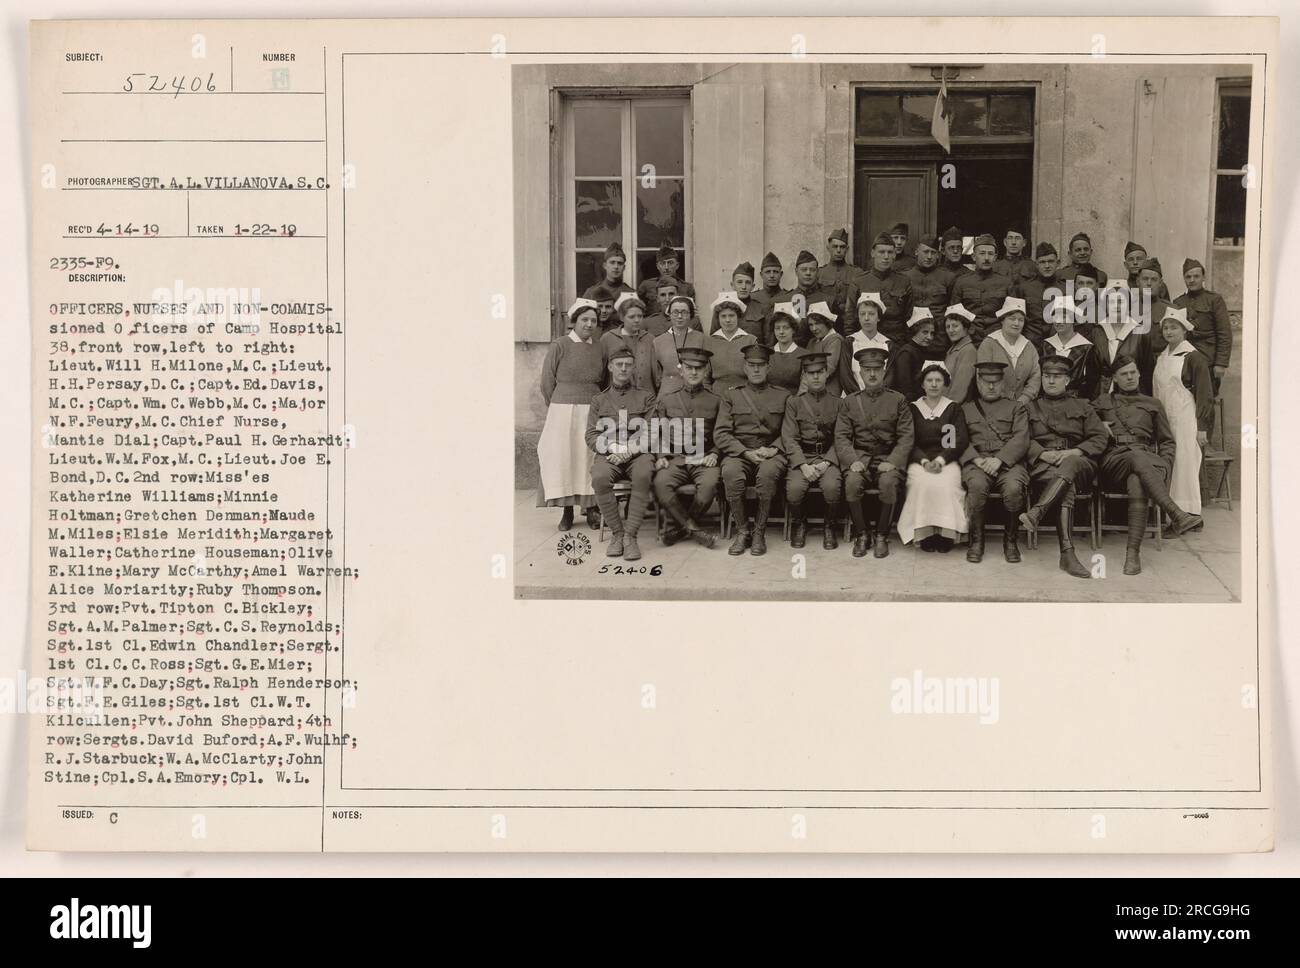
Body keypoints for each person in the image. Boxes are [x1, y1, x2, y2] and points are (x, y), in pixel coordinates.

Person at [1094, 354, 1203, 575]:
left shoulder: (1153, 404)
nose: (1130, 377)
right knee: (1136, 457)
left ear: (1139, 373)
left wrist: (1165, 466)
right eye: (1124, 374)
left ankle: (1132, 554)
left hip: (1145, 463)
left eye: (1133, 372)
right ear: (1115, 378)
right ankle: (1175, 512)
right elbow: (1082, 430)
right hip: (1114, 462)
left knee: (1138, 481)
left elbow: (1167, 441)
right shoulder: (1101, 403)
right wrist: (1098, 425)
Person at [1018, 356, 1109, 579]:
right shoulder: (1030, 407)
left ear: (1067, 380)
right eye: (1047, 376)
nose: (1050, 381)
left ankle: (1038, 511)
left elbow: (1099, 437)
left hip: (1080, 463)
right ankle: (1067, 555)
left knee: (1070, 464)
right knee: (1065, 485)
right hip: (1044, 464)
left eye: (1057, 377)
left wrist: (1075, 452)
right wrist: (1042, 453)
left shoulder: (1083, 406)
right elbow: (1020, 438)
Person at [836, 346, 914, 558]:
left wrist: (894, 461)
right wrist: (852, 460)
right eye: (867, 369)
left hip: (887, 457)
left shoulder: (897, 400)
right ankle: (862, 534)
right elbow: (841, 437)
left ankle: (881, 535)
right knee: (852, 483)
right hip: (859, 456)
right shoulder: (850, 402)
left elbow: (906, 437)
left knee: (888, 483)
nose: (872, 374)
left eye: (877, 369)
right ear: (860, 372)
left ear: (884, 371)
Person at [715, 343, 790, 556]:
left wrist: (774, 449)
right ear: (744, 367)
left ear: (769, 367)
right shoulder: (731, 395)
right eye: (751, 365)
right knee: (730, 473)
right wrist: (744, 452)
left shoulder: (783, 396)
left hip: (771, 453)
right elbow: (721, 433)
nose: (756, 370)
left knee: (767, 475)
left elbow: (790, 432)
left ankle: (759, 532)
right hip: (740, 452)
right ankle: (742, 531)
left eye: (761, 365)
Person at [537, 298, 605, 532]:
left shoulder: (599, 346)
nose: (589, 324)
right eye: (584, 319)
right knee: (564, 457)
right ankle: (566, 511)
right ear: (574, 321)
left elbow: (604, 379)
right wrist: (558, 404)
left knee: (588, 457)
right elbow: (547, 381)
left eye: (593, 320)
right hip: (563, 410)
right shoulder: (560, 345)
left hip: (591, 409)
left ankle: (592, 510)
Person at [586, 346, 657, 561]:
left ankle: (631, 536)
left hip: (638, 454)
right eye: (619, 364)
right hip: (610, 455)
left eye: (628, 365)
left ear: (634, 367)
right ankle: (617, 534)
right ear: (610, 367)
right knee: (599, 477)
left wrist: (628, 451)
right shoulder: (599, 400)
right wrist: (614, 448)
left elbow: (652, 432)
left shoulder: (646, 397)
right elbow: (590, 435)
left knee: (644, 474)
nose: (624, 369)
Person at [960, 361, 1031, 563]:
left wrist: (1000, 459)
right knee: (976, 486)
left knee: (1013, 489)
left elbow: (1022, 438)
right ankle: (977, 541)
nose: (991, 387)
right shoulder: (964, 409)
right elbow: (955, 439)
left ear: (1003, 384)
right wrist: (975, 458)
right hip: (977, 463)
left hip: (1009, 463)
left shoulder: (1016, 408)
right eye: (986, 382)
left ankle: (1010, 541)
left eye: (996, 382)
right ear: (978, 382)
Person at [652, 346, 722, 549]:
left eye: (699, 368)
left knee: (709, 485)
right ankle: (694, 530)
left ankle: (680, 529)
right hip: (676, 458)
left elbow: (723, 432)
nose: (693, 372)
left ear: (706, 371)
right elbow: (659, 431)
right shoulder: (667, 399)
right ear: (680, 370)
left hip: (703, 458)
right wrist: (662, 455)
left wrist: (716, 453)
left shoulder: (716, 401)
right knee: (660, 483)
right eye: (689, 368)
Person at [897, 361, 969, 552]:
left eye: (938, 380)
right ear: (923, 384)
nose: (934, 384)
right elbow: (908, 440)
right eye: (930, 380)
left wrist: (940, 461)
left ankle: (946, 534)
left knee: (947, 484)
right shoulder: (912, 409)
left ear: (945, 384)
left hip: (946, 460)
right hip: (919, 460)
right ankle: (925, 533)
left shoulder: (952, 409)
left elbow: (956, 440)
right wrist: (924, 461)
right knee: (921, 484)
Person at [1152, 306, 1214, 517]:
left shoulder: (1194, 357)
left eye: (1174, 328)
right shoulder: (1162, 356)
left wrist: (1202, 428)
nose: (1169, 332)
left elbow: (1205, 394)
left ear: (1184, 330)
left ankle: (1189, 515)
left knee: (1185, 463)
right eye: (1166, 328)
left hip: (1186, 417)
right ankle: (1173, 514)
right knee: (1171, 462)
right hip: (1165, 417)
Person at [782, 352, 844, 549]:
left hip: (829, 456)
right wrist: (802, 464)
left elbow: (842, 437)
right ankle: (799, 523)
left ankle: (829, 525)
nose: (815, 377)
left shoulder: (839, 403)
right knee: (793, 490)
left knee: (832, 488)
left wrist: (827, 462)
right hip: (803, 455)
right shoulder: (794, 402)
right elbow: (789, 437)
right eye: (810, 373)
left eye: (820, 372)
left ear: (827, 373)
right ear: (804, 376)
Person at [1174, 257, 1233, 393]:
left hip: (1208, 359)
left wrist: (1220, 363)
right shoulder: (1178, 302)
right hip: (1185, 357)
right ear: (1184, 278)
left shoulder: (1215, 300)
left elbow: (1224, 333)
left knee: (1205, 398)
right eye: (1188, 277)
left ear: (1203, 277)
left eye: (1196, 276)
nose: (1192, 280)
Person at [949, 233, 1017, 346]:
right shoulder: (962, 282)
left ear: (995, 257)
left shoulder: (1006, 283)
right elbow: (954, 314)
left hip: (998, 339)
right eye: (982, 253)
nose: (986, 258)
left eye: (990, 254)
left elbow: (1013, 314)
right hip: (968, 339)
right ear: (974, 257)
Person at [1092, 280, 1153, 397]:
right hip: (1102, 393)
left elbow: (1147, 370)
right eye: (1112, 302)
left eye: (1121, 301)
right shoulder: (1097, 331)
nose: (1116, 306)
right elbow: (1093, 370)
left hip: (1133, 394)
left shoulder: (1140, 332)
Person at [978, 296, 1041, 405]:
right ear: (1002, 320)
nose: (1016, 323)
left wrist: (1024, 399)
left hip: (1023, 406)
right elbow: (982, 378)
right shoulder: (989, 344)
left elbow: (1036, 377)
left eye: (1021, 320)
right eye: (1012, 318)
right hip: (993, 405)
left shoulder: (1028, 346)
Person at [857, 232, 914, 342]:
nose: (886, 257)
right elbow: (851, 319)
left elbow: (909, 317)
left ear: (894, 255)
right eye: (881, 252)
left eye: (890, 252)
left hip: (896, 342)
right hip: (867, 342)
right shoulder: (859, 281)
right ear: (873, 253)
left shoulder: (904, 281)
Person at [1042, 296, 1101, 401]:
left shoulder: (1087, 348)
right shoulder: (1046, 345)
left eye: (1064, 317)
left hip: (1075, 401)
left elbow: (1092, 383)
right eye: (1056, 317)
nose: (1059, 321)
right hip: (1048, 400)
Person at [651, 294, 706, 398]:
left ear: (691, 315)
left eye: (684, 312)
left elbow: (706, 371)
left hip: (695, 394)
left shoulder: (701, 339)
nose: (680, 316)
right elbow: (655, 375)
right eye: (675, 312)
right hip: (667, 395)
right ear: (669, 314)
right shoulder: (658, 341)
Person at [600, 292, 657, 391]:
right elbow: (602, 372)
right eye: (632, 317)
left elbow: (655, 372)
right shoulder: (608, 338)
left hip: (645, 394)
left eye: (640, 316)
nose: (636, 320)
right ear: (622, 318)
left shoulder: (650, 339)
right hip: (616, 396)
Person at [705, 291, 757, 392]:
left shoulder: (750, 340)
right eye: (723, 316)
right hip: (718, 394)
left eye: (731, 315)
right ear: (718, 318)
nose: (728, 320)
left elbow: (756, 374)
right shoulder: (710, 342)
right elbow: (705, 378)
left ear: (738, 317)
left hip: (744, 394)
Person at [843, 292, 894, 392]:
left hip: (881, 400)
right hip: (854, 400)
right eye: (862, 314)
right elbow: (846, 376)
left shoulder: (888, 344)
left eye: (871, 314)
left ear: (878, 317)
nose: (866, 318)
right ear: (858, 316)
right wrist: (859, 398)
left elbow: (889, 377)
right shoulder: (849, 342)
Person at [1021, 241, 1064, 347]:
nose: (1047, 266)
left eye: (1051, 261)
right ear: (1036, 264)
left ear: (1057, 263)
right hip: (1030, 343)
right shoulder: (1025, 288)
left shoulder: (1065, 289)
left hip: (1057, 343)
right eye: (1042, 262)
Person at [818, 228, 863, 327]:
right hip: (826, 323)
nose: (838, 250)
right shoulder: (819, 273)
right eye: (835, 246)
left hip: (850, 323)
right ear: (828, 248)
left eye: (842, 247)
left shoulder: (856, 273)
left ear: (847, 249)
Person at [889, 308, 935, 402]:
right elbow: (905, 389)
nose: (930, 337)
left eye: (932, 333)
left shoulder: (924, 351)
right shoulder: (906, 353)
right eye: (925, 332)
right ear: (914, 331)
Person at [906, 233, 954, 319]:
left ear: (938, 255)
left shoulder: (948, 278)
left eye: (933, 253)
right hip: (912, 329)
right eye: (926, 252)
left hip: (939, 329)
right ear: (916, 252)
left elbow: (952, 310)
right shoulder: (905, 277)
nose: (929, 257)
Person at [790, 249, 833, 340]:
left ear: (817, 272)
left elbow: (834, 335)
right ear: (796, 271)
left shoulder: (828, 301)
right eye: (804, 270)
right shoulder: (785, 300)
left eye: (812, 270)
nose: (808, 273)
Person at [635, 241, 694, 306]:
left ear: (677, 265)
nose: (666, 267)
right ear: (657, 266)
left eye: (670, 263)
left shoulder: (687, 287)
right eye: (662, 263)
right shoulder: (646, 285)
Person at [806, 301, 846, 398]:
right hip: (811, 389)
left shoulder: (835, 340)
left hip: (829, 391)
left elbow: (828, 368)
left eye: (817, 323)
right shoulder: (812, 342)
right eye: (811, 325)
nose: (814, 328)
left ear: (827, 322)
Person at [942, 304, 978, 404]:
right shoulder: (953, 350)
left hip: (953, 408)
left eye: (955, 326)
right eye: (947, 327)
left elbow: (960, 387)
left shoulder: (968, 351)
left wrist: (947, 409)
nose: (950, 330)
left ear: (966, 328)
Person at [731, 261, 771, 343]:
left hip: (755, 354)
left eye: (748, 283)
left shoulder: (762, 309)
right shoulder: (721, 308)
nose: (743, 287)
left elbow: (768, 342)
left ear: (753, 287)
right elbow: (715, 340)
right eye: (739, 282)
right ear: (732, 285)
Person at [766, 310, 806, 392]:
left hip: (793, 401)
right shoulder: (766, 353)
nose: (781, 332)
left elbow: (804, 388)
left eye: (786, 328)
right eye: (777, 328)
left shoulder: (804, 355)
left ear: (793, 330)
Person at [751, 251, 789, 319]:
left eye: (775, 272)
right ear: (761, 275)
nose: (772, 275)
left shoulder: (788, 297)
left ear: (781, 274)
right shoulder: (753, 298)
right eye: (768, 272)